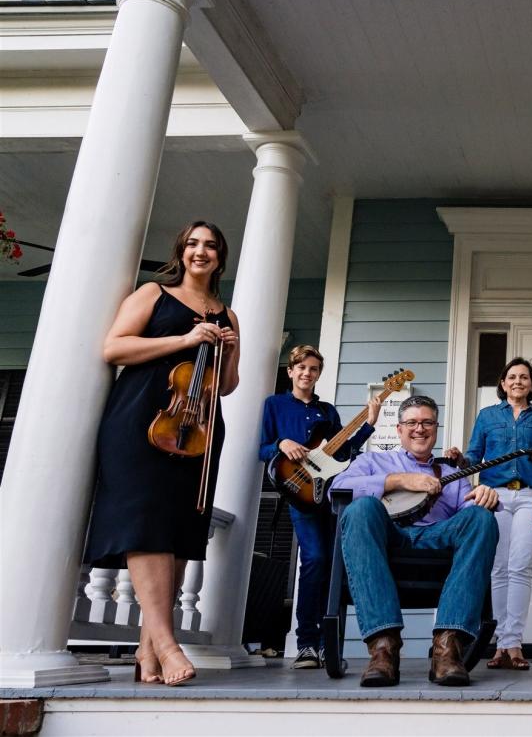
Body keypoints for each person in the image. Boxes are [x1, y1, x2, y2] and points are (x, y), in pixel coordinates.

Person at [84, 220, 241, 687]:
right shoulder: (154, 294)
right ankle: (168, 646)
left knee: (178, 529)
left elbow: (227, 386)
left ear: (220, 257)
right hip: (141, 418)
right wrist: (186, 340)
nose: (201, 252)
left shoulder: (227, 315)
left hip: (197, 429)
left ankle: (147, 651)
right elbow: (114, 347)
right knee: (146, 521)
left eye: (211, 245)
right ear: (181, 251)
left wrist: (228, 353)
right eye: (193, 244)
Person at [331, 395, 499, 687]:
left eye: (427, 422)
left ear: (435, 428)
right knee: (361, 508)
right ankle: (383, 648)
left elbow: (469, 518)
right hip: (388, 538)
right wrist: (395, 481)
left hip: (437, 538)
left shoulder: (451, 473)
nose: (419, 429)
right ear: (399, 429)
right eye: (411, 422)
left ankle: (447, 648)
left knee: (482, 518)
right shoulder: (373, 460)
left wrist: (486, 497)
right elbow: (338, 488)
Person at [258, 345, 380, 670]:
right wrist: (280, 444)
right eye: (301, 368)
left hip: (330, 495)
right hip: (299, 493)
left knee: (334, 566)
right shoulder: (275, 405)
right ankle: (306, 644)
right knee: (314, 560)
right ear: (291, 371)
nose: (306, 373)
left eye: (313, 369)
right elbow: (261, 447)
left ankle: (329, 647)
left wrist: (368, 424)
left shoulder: (327, 412)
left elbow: (344, 451)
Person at [464, 357, 532, 671]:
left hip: (531, 497)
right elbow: (473, 455)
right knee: (498, 568)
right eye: (512, 377)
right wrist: (458, 459)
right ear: (503, 384)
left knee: (521, 568)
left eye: (524, 377)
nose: (518, 381)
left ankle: (514, 644)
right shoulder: (487, 416)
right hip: (495, 496)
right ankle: (500, 645)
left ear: (531, 385)